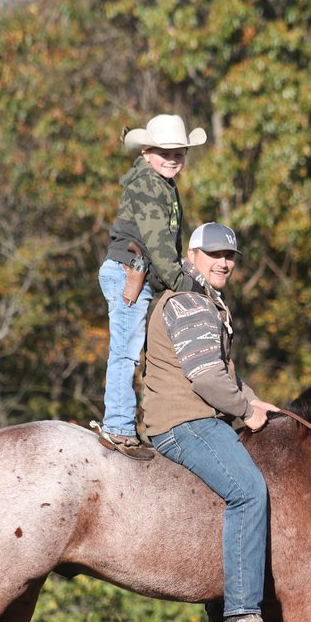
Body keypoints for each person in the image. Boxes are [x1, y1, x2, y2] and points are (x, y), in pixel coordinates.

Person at [142, 222, 282, 622]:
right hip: (185, 422)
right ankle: (240, 610)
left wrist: (256, 402)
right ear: (192, 255)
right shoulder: (189, 301)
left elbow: (225, 374)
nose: (224, 262)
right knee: (248, 491)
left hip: (201, 417)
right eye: (215, 254)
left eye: (230, 256)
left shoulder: (205, 299)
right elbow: (206, 379)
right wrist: (245, 410)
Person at [95, 114, 207, 461]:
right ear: (146, 152)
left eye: (179, 153)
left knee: (133, 351)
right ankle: (118, 427)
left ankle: (130, 423)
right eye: (164, 152)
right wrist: (185, 283)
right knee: (126, 351)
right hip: (129, 275)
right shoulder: (147, 184)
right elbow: (159, 244)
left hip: (137, 274)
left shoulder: (162, 184)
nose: (173, 159)